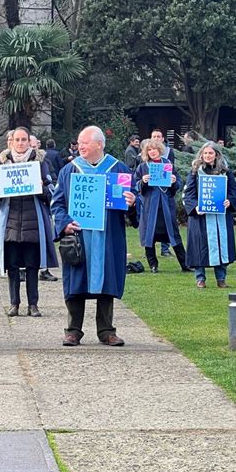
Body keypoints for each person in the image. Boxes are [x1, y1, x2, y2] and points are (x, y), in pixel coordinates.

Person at [51, 125, 137, 346]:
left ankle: (106, 330)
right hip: (79, 236)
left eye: (85, 142)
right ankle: (73, 330)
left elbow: (135, 204)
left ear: (99, 144)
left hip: (108, 236)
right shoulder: (69, 171)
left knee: (107, 281)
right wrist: (64, 223)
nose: (80, 146)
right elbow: (57, 204)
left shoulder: (119, 170)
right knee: (76, 283)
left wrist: (133, 202)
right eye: (79, 142)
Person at [0, 127, 58, 317]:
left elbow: (52, 191)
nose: (21, 143)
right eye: (17, 140)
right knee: (12, 266)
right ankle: (14, 303)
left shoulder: (41, 163)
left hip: (33, 222)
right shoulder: (3, 163)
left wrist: (42, 189)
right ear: (11, 141)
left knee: (32, 265)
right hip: (11, 223)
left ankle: (33, 304)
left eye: (24, 140)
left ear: (30, 142)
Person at [183, 142, 236, 288]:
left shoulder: (225, 172)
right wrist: (195, 207)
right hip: (200, 217)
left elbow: (234, 192)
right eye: (205, 153)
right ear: (201, 154)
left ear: (216, 155)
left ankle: (221, 279)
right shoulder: (195, 172)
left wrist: (230, 201)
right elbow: (188, 194)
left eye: (211, 153)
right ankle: (200, 278)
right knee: (199, 247)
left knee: (221, 246)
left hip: (220, 216)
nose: (208, 156)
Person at [134, 139, 192, 274]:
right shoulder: (142, 167)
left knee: (174, 235)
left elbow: (178, 182)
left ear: (160, 150)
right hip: (149, 207)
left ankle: (185, 264)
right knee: (149, 236)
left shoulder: (167, 165)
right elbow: (135, 185)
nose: (152, 152)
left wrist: (173, 181)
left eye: (154, 149)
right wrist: (142, 181)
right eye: (149, 150)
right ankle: (153, 265)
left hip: (165, 206)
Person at [30, 135, 58, 282]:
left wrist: (43, 187)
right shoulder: (10, 162)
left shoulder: (44, 163)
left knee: (43, 240)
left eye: (34, 146)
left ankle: (44, 269)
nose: (32, 149)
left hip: (40, 209)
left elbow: (52, 185)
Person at [150, 128, 174, 256]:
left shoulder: (169, 153)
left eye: (159, 136)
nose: (156, 138)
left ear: (163, 139)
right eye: (154, 136)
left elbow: (172, 170)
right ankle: (150, 250)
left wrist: (172, 180)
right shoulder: (144, 158)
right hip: (151, 196)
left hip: (164, 194)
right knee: (151, 225)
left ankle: (165, 248)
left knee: (166, 223)